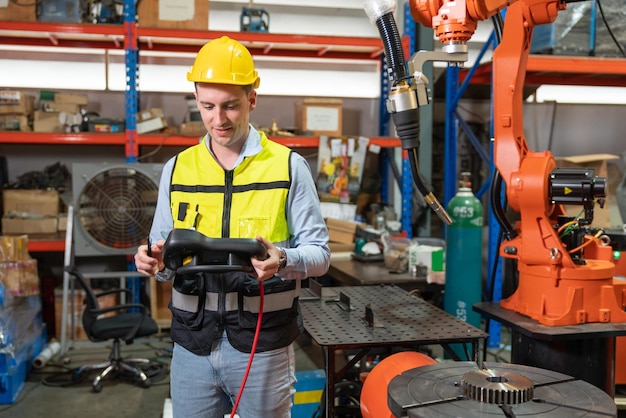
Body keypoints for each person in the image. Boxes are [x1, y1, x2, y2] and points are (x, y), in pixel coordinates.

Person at [134, 36, 330, 418]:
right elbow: (162, 256)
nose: (218, 119)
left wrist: (284, 258)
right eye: (207, 106)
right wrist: (152, 262)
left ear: (252, 99)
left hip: (263, 345)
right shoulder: (177, 169)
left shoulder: (288, 167)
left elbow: (320, 255)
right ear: (196, 98)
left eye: (230, 106)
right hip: (192, 344)